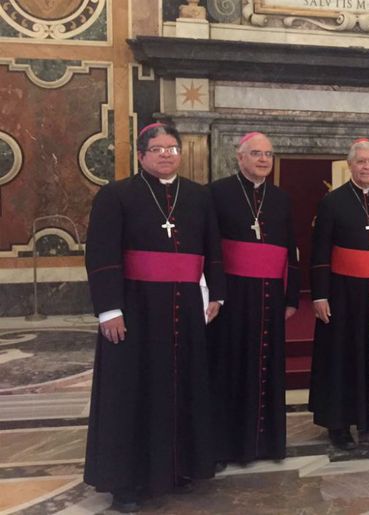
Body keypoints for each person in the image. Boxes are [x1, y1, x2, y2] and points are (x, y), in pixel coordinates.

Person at [84, 123, 225, 513]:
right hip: (136, 307)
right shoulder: (116, 195)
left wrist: (217, 294)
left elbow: (212, 249)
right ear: (142, 154)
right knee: (132, 390)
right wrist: (109, 309)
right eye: (158, 148)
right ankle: (126, 481)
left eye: (173, 148)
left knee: (183, 385)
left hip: (186, 307)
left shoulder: (197, 195)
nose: (167, 154)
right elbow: (101, 254)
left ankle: (178, 467)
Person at [207, 132, 300, 465]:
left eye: (269, 155)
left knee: (268, 366)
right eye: (256, 154)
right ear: (240, 157)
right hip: (232, 295)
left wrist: (291, 297)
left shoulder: (281, 198)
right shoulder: (217, 193)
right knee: (228, 366)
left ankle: (267, 443)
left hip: (270, 295)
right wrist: (214, 292)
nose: (264, 160)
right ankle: (224, 447)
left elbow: (291, 250)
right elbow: (209, 249)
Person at [309, 138, 369, 450]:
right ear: (350, 165)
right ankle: (338, 423)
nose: (366, 167)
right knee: (342, 356)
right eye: (361, 162)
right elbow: (320, 251)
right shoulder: (332, 202)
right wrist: (319, 295)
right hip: (343, 292)